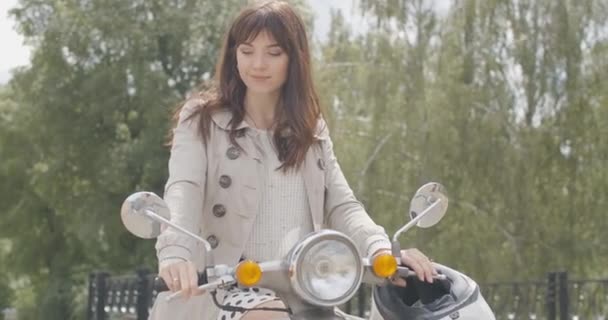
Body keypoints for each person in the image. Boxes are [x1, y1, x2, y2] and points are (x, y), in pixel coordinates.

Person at [150, 1, 436, 319]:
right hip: (225, 290)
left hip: (305, 292)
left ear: (294, 59)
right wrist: (175, 253)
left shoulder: (310, 129)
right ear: (234, 54)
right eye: (246, 51)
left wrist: (380, 249)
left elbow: (342, 205)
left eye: (274, 53)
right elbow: (183, 190)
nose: (258, 64)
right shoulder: (203, 119)